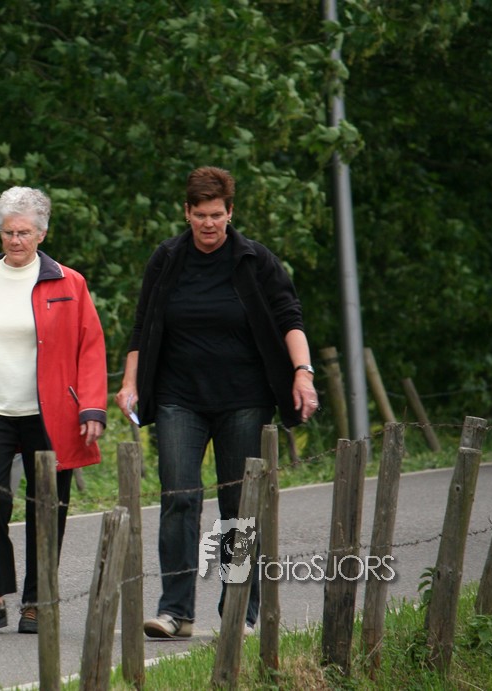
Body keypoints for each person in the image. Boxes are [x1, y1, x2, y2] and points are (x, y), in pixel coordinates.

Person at [115, 166, 318, 639]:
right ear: (186, 213)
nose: (208, 223)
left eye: (216, 215)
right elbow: (143, 325)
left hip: (244, 399)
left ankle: (240, 610)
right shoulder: (168, 259)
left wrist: (303, 374)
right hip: (178, 398)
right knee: (179, 498)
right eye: (200, 215)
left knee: (239, 505)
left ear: (230, 213)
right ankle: (175, 612)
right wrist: (129, 384)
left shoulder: (254, 260)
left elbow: (289, 317)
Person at [0, 186, 108, 634]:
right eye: (7, 232)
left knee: (47, 506)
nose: (15, 240)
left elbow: (90, 347)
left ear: (41, 234)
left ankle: (37, 601)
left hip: (51, 412)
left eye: (23, 232)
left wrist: (92, 408)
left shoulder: (69, 283)